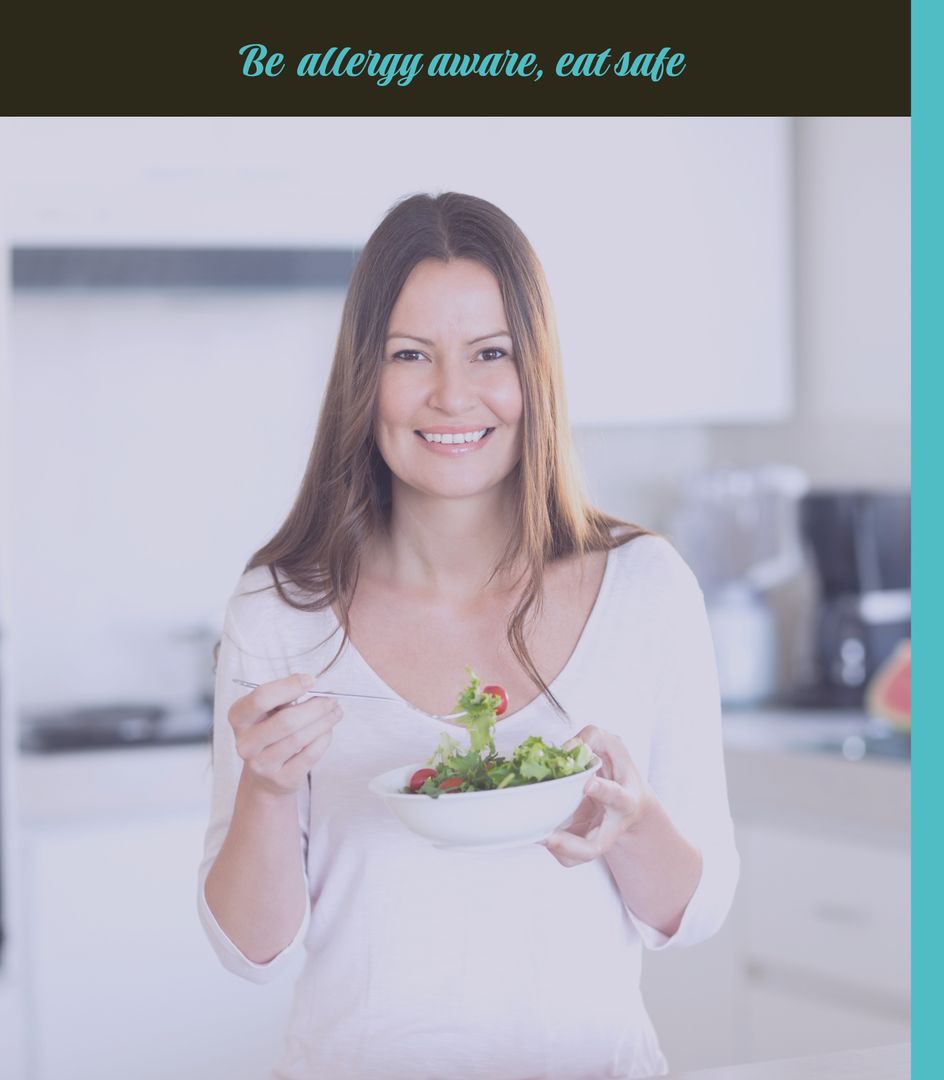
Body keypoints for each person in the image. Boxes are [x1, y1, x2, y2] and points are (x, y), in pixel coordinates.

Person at [197, 191, 740, 1080]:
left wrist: (631, 822)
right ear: (362, 378)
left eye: (491, 353)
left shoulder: (646, 587)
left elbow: (695, 913)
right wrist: (262, 788)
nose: (453, 394)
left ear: (537, 373)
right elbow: (248, 951)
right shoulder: (280, 607)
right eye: (411, 354)